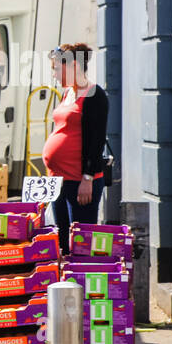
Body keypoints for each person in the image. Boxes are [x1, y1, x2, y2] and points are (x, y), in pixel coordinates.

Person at [43, 43, 109, 248]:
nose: (54, 74)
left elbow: (96, 141)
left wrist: (87, 178)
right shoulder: (67, 93)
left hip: (78, 180)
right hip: (58, 181)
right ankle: (64, 279)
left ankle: (81, 280)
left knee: (80, 242)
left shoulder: (94, 95)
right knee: (62, 239)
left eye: (56, 68)